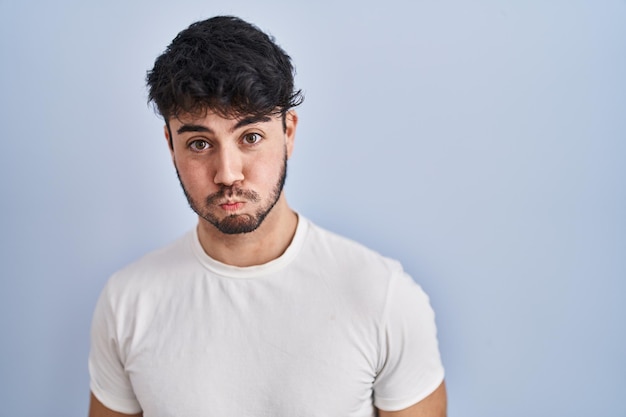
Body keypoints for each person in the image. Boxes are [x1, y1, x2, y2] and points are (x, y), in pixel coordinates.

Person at [88, 15, 446, 417]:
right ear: (171, 145)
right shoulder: (127, 302)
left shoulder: (384, 298)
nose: (227, 173)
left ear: (288, 132)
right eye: (200, 143)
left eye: (251, 137)